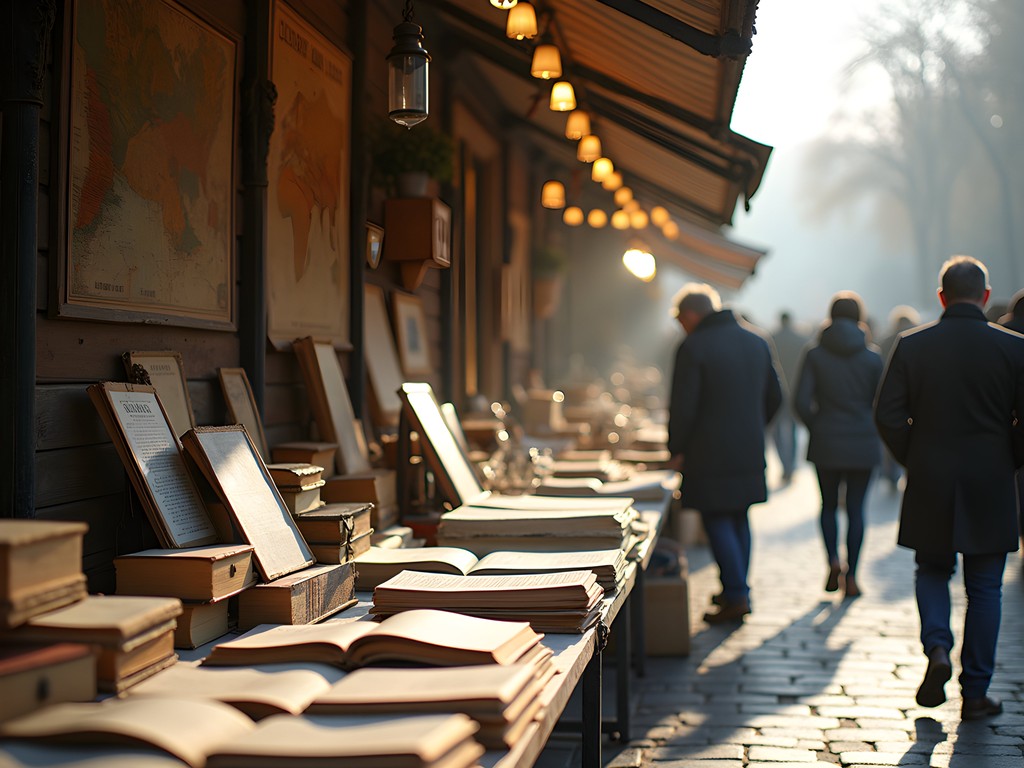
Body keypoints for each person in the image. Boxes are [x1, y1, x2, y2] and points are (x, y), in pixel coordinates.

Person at [875, 256, 1024, 720]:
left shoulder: (912, 345)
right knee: (985, 589)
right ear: (984, 296)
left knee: (932, 570)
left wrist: (914, 457)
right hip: (991, 477)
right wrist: (1009, 458)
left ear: (942, 297)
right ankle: (975, 692)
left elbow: (888, 415)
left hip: (931, 476)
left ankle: (937, 647)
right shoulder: (1015, 348)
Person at [666, 283, 782, 624]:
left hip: (708, 451)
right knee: (738, 516)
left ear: (690, 315)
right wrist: (753, 426)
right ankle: (737, 586)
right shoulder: (757, 340)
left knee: (717, 518)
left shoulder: (694, 346)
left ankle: (735, 594)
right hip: (748, 446)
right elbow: (776, 398)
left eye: (679, 320)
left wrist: (677, 448)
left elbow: (683, 406)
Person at [793, 292, 883, 599]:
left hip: (827, 440)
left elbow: (800, 401)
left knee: (828, 505)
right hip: (863, 441)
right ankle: (853, 575)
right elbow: (883, 404)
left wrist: (818, 427)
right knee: (857, 509)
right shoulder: (872, 357)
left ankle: (832, 560)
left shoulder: (815, 354)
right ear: (860, 318)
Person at [875, 305, 921, 492]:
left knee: (891, 432)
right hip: (915, 396)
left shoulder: (885, 341)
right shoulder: (919, 340)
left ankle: (892, 473)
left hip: (892, 393)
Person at [770, 311, 809, 482]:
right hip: (794, 389)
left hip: (777, 389)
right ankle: (791, 464)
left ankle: (785, 464)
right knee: (792, 429)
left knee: (777, 429)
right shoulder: (801, 340)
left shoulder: (772, 339)